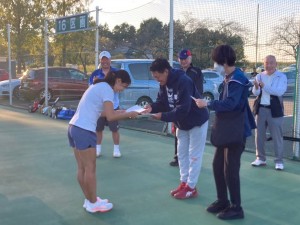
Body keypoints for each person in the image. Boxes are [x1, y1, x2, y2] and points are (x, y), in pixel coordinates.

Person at [195, 45, 256, 220]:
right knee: (217, 166)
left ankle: (237, 207)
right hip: (227, 130)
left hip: (236, 130)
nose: (214, 64)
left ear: (223, 61)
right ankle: (223, 200)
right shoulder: (228, 78)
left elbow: (232, 104)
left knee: (231, 169)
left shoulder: (237, 79)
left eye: (216, 61)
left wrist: (208, 104)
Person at [68, 70, 139, 213]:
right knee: (90, 168)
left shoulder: (98, 86)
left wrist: (121, 112)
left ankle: (89, 199)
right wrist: (129, 114)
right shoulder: (108, 89)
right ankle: (93, 203)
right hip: (84, 130)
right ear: (118, 81)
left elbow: (101, 112)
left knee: (82, 168)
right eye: (123, 86)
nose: (122, 90)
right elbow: (110, 118)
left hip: (73, 128)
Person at [144, 58, 209, 199]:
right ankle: (184, 183)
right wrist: (151, 107)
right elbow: (162, 102)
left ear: (166, 71)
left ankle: (191, 187)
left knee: (194, 156)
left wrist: (162, 116)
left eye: (158, 76)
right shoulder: (164, 83)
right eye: (154, 77)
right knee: (181, 155)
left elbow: (183, 110)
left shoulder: (184, 81)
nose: (157, 80)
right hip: (182, 124)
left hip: (197, 121)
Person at [251, 55, 287, 170]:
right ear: (264, 64)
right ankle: (260, 158)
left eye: (271, 63)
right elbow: (256, 93)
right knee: (259, 136)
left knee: (277, 136)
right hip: (261, 109)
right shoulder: (259, 76)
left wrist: (264, 86)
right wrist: (256, 87)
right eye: (266, 63)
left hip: (275, 110)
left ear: (276, 64)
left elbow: (279, 92)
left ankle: (279, 161)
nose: (269, 65)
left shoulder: (281, 76)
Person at [169, 49, 204, 167]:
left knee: (192, 135)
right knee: (178, 132)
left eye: (185, 59)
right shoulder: (175, 72)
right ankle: (177, 157)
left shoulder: (196, 71)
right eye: (181, 59)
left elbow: (198, 90)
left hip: (192, 108)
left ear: (190, 58)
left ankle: (191, 159)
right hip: (179, 107)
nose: (183, 61)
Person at [89, 51, 121, 158]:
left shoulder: (116, 72)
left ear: (110, 60)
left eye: (106, 59)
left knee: (114, 129)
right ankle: (98, 149)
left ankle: (116, 149)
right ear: (100, 61)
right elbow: (91, 88)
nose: (105, 62)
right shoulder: (95, 73)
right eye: (103, 59)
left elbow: (118, 87)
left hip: (113, 106)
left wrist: (101, 82)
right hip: (100, 107)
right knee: (98, 129)